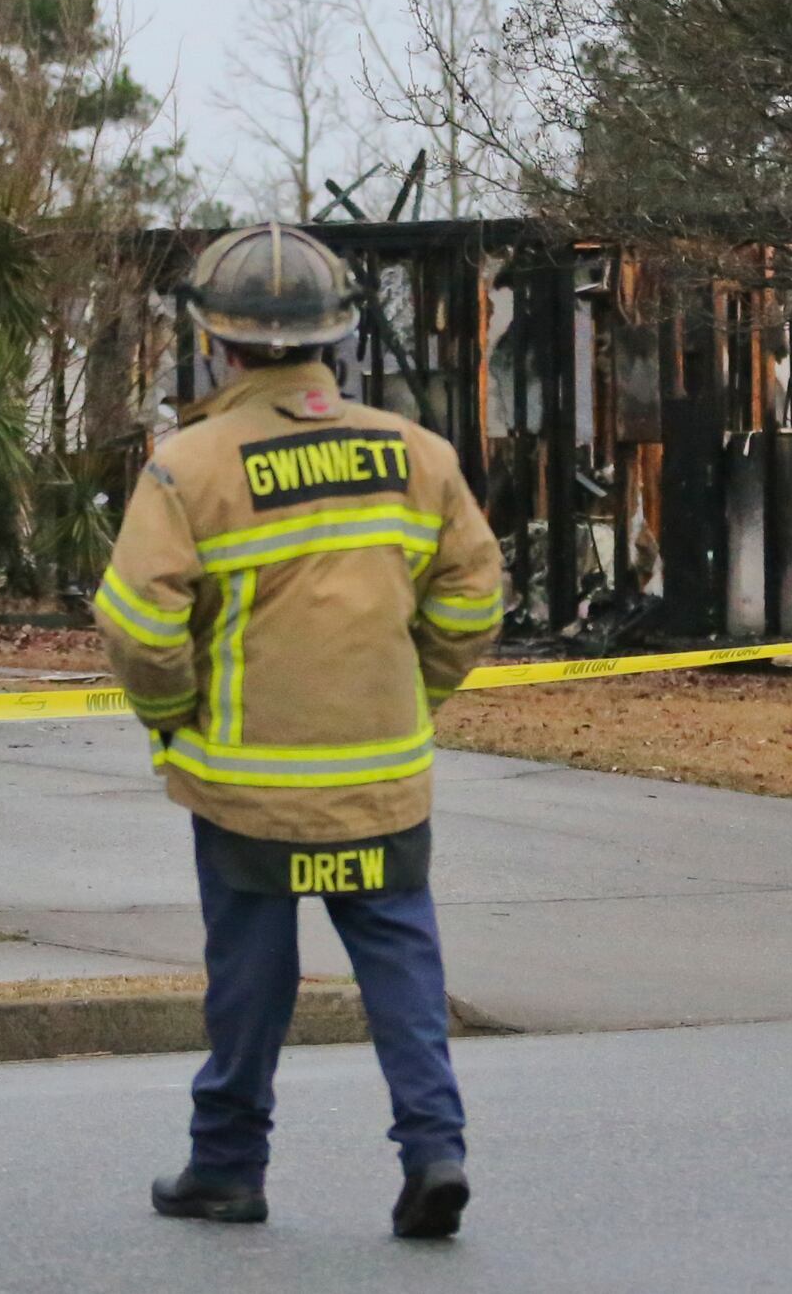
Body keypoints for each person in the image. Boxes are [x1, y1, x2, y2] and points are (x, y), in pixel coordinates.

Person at [95, 222, 508, 1241]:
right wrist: (412, 691)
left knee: (251, 977)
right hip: (383, 777)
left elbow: (141, 626)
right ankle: (435, 1149)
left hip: (247, 785)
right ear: (337, 336)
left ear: (216, 341)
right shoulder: (419, 456)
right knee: (402, 963)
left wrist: (173, 719)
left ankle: (227, 1165)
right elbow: (473, 599)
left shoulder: (189, 468)